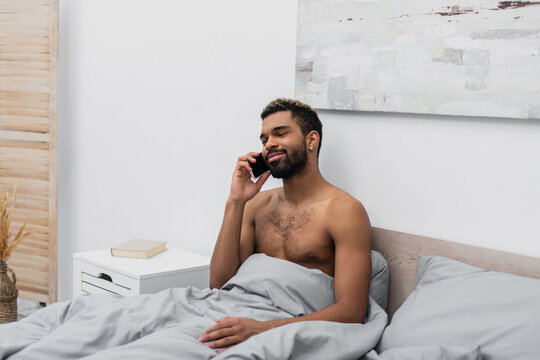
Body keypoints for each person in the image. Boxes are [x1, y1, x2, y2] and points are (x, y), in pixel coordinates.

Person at [200, 98, 372, 352]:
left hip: (278, 329)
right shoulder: (256, 204)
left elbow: (352, 311)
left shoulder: (344, 211)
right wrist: (235, 202)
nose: (269, 144)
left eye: (280, 134)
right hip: (229, 312)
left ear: (311, 140)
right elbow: (219, 283)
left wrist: (259, 329)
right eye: (264, 139)